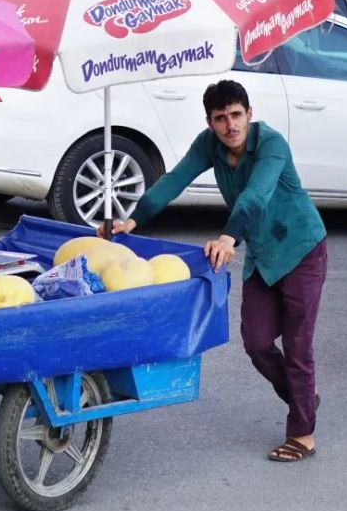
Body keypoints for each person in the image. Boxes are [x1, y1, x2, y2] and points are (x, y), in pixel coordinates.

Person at [102, 79, 328, 463]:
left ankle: (302, 433)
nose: (230, 126)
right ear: (210, 123)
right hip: (263, 256)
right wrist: (134, 220)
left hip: (302, 250)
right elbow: (175, 179)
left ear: (249, 114)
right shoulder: (210, 144)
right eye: (221, 119)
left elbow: (256, 195)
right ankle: (303, 396)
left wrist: (227, 238)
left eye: (237, 115)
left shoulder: (271, 145)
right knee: (256, 343)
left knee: (297, 346)